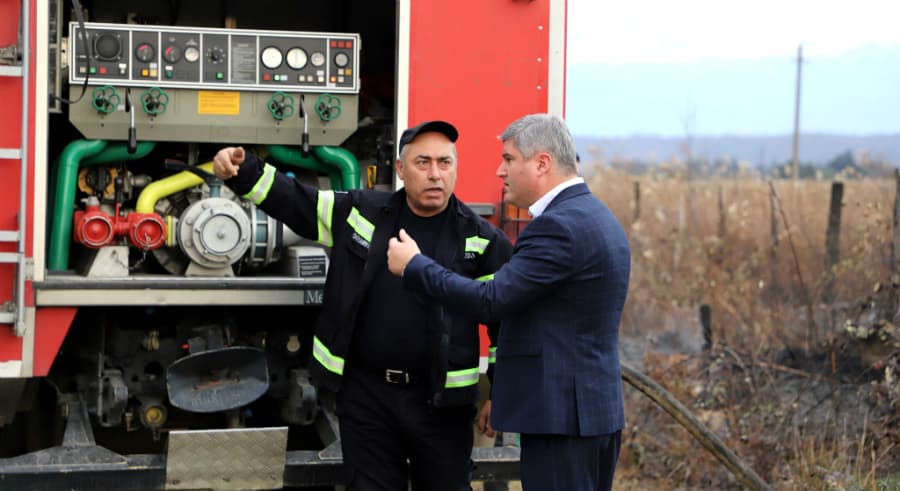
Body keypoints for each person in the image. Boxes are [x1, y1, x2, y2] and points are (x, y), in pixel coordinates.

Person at [212, 120, 513, 491]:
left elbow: (504, 324)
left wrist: (501, 393)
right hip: (368, 398)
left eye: (444, 162)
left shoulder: (482, 239)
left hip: (442, 406)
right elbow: (296, 201)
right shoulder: (362, 212)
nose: (435, 174)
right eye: (422, 163)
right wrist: (243, 170)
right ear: (401, 169)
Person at [386, 113, 631, 491]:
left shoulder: (558, 226)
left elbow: (491, 300)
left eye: (509, 159)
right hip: (592, 415)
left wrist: (416, 267)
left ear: (542, 163)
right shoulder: (597, 215)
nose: (500, 171)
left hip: (562, 423)